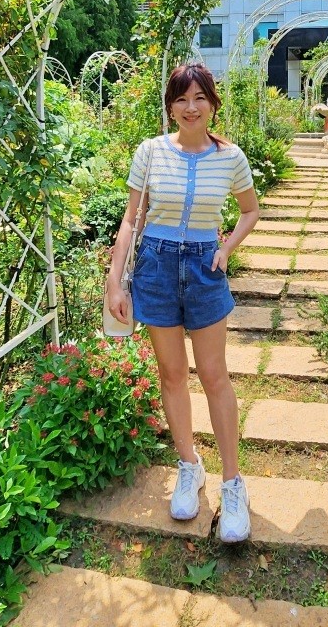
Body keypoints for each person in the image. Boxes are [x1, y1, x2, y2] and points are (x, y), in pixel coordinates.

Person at [106, 63, 260, 544]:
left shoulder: (231, 157)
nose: (190, 107)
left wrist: (226, 248)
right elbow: (132, 219)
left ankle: (233, 483)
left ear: (213, 103)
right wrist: (115, 282)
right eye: (181, 99)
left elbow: (251, 210)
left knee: (214, 375)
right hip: (154, 267)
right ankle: (189, 466)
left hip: (203, 269)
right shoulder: (150, 152)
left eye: (199, 98)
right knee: (171, 374)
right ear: (170, 106)